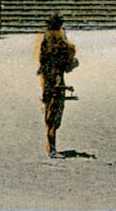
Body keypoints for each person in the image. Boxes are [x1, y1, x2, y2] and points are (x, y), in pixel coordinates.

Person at [37, 14, 77, 157]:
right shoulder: (59, 41)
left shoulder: (46, 39)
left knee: (50, 114)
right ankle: (52, 150)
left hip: (48, 80)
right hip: (56, 82)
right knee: (54, 115)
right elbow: (68, 59)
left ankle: (52, 147)